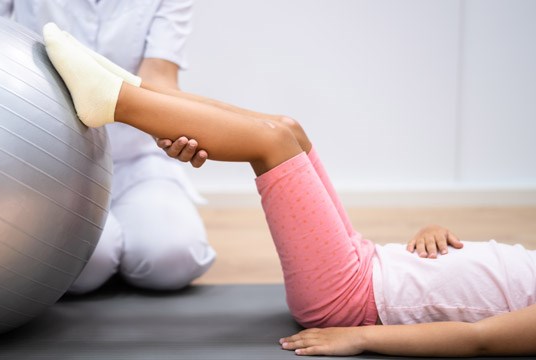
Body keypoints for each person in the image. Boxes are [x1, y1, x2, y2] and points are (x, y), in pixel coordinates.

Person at [39, 23, 536, 357]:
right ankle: (129, 89)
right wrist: (436, 233)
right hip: (370, 260)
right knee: (289, 128)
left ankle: (112, 100)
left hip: (352, 297)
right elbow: (480, 277)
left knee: (270, 144)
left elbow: (479, 339)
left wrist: (361, 337)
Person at [0, 0, 217, 294]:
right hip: (54, 168)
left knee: (171, 261)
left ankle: (126, 238)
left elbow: (159, 80)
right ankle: (111, 248)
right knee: (87, 268)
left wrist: (196, 128)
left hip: (136, 160)